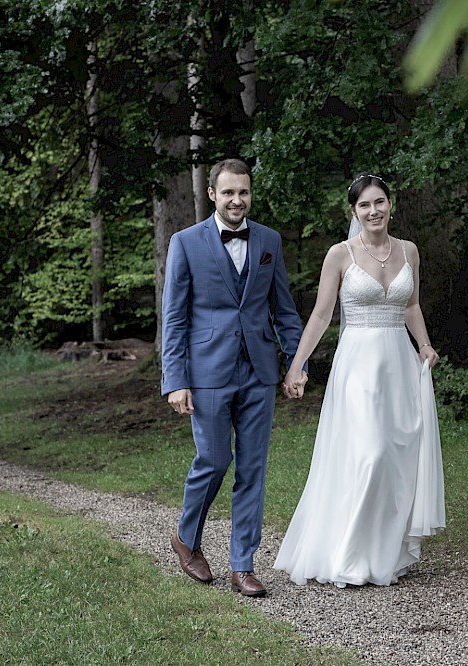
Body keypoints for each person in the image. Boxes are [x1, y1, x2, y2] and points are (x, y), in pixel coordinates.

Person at [274, 173, 446, 587]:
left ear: (391, 205)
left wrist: (424, 345)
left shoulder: (409, 251)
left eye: (380, 202)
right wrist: (297, 365)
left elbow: (412, 306)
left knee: (396, 460)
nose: (374, 211)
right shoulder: (340, 254)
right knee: (368, 454)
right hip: (359, 367)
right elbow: (320, 315)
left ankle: (383, 555)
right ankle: (348, 554)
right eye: (365, 205)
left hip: (399, 364)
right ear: (354, 212)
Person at [161, 158, 304, 598]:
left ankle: (243, 565)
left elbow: (283, 308)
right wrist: (175, 379)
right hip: (207, 372)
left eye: (243, 192)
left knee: (253, 468)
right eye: (228, 193)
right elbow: (174, 317)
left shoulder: (269, 241)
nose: (237, 200)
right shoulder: (185, 243)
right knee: (215, 459)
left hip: (259, 371)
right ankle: (187, 538)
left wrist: (296, 364)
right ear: (213, 195)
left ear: (250, 193)